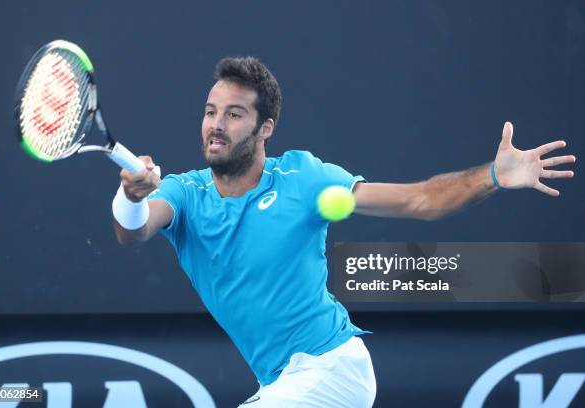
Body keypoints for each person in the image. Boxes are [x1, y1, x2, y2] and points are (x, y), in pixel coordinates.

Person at [111, 57, 576, 407]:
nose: (216, 125)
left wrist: (493, 174)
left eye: (233, 114)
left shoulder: (304, 178)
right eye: (211, 111)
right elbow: (133, 231)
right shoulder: (185, 193)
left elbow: (420, 199)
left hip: (333, 368)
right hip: (281, 381)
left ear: (265, 127)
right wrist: (131, 196)